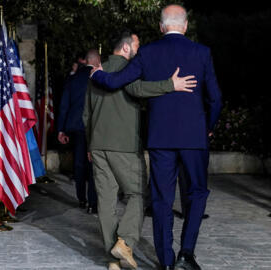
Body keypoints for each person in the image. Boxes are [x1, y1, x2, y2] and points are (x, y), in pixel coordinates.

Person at [90, 4, 222, 270]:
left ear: (161, 27)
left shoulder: (148, 52)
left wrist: (98, 74)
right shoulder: (201, 52)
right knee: (197, 194)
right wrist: (207, 126)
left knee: (162, 199)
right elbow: (215, 98)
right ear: (184, 26)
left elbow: (118, 82)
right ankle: (186, 252)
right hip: (194, 138)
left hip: (160, 139)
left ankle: (166, 260)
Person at [83, 32, 195, 270]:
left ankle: (113, 259)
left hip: (98, 145)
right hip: (123, 146)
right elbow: (139, 89)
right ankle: (125, 241)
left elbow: (87, 114)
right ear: (126, 48)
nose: (139, 49)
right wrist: (170, 85)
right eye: (137, 45)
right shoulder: (127, 70)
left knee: (106, 201)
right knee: (138, 194)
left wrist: (90, 144)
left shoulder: (96, 73)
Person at [58, 49, 99, 214]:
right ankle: (93, 203)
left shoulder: (73, 79)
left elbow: (64, 106)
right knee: (94, 165)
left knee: (80, 163)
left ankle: (82, 198)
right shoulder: (99, 78)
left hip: (77, 126)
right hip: (95, 126)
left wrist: (61, 129)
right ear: (97, 62)